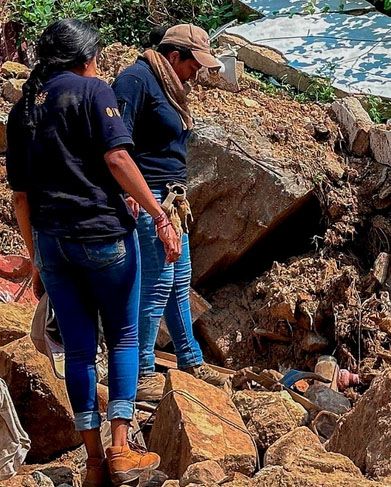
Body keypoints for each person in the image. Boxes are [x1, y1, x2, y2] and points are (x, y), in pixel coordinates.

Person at [6, 19, 181, 486]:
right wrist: (160, 217)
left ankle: (94, 462)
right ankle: (122, 451)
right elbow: (118, 158)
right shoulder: (92, 91)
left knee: (79, 349)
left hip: (53, 243)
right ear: (85, 57)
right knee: (124, 335)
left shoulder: (23, 109)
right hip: (103, 237)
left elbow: (20, 198)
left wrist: (36, 257)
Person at [113, 24, 226, 401]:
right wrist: (128, 193)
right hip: (149, 196)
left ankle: (191, 360)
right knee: (156, 283)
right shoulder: (135, 80)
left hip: (173, 197)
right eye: (194, 64)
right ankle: (143, 371)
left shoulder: (171, 87)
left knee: (179, 281)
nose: (198, 73)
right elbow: (117, 143)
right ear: (173, 56)